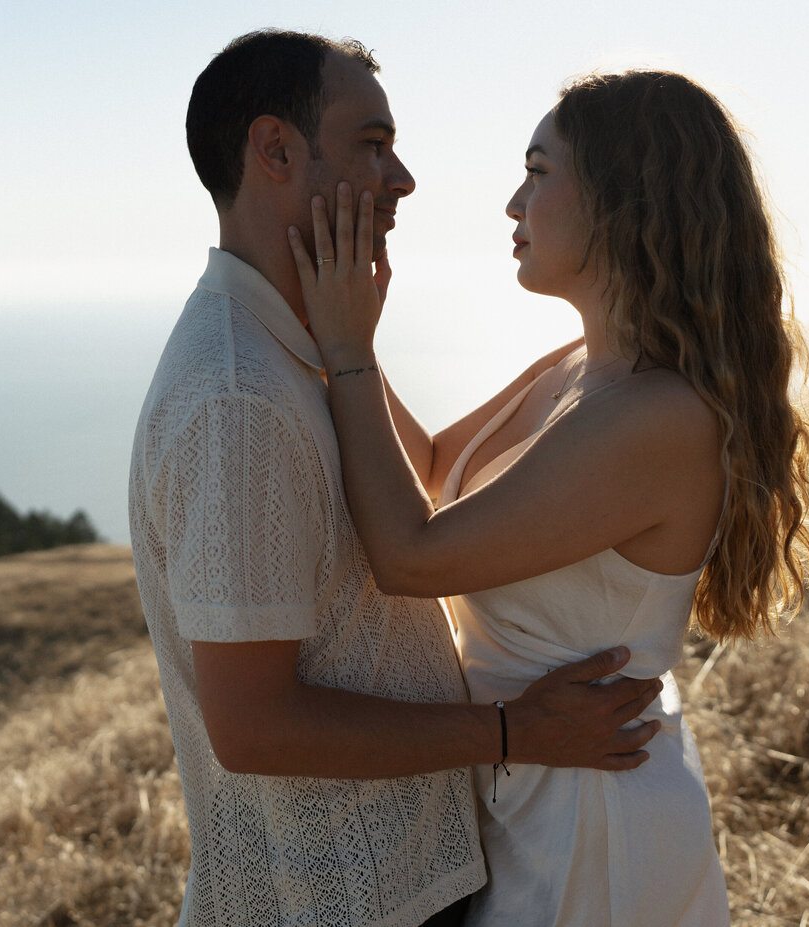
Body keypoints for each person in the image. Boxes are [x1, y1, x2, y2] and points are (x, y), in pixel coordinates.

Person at [129, 32, 668, 927]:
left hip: (398, 886)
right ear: (275, 150)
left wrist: (355, 351)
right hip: (340, 904)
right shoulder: (240, 395)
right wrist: (515, 731)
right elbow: (254, 726)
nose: (403, 178)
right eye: (372, 145)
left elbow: (425, 478)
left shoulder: (298, 351)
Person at [291, 69, 809, 926]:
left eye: (539, 173)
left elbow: (411, 556)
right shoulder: (578, 366)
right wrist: (336, 343)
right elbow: (439, 467)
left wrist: (346, 347)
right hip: (532, 792)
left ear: (624, 201)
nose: (514, 203)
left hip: (595, 822)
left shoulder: (658, 416)